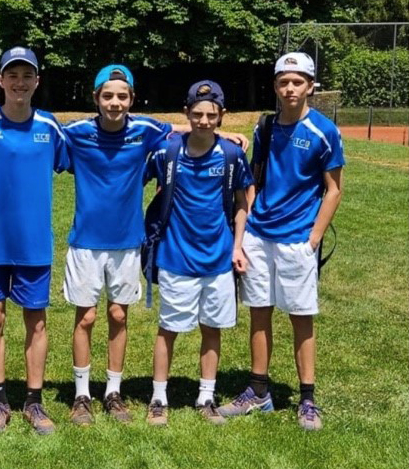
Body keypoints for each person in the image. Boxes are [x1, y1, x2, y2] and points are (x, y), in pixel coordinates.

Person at [61, 66, 249, 426]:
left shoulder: (146, 130)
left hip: (128, 242)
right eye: (107, 95)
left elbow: (188, 128)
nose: (115, 102)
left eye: (122, 95)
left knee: (118, 315)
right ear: (96, 97)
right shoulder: (77, 131)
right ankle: (82, 394)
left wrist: (223, 133)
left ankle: (113, 393)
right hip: (85, 241)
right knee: (85, 317)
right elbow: (35, 125)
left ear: (131, 99)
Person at [218, 52, 344, 431]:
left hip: (296, 241)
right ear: (275, 86)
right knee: (259, 311)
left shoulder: (324, 131)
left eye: (297, 81)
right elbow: (256, 175)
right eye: (283, 82)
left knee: (301, 318)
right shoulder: (265, 128)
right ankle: (259, 391)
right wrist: (253, 216)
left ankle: (307, 399)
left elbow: (334, 189)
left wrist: (314, 238)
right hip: (259, 236)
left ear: (310, 86)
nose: (290, 88)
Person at [0, 47, 69, 435]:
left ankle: (33, 401)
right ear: (0, 81)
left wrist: (197, 130)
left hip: (33, 243)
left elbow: (90, 145)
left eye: (27, 75)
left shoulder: (50, 126)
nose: (19, 82)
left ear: (37, 82)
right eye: (12, 75)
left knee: (36, 322)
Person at [144, 81, 253, 427]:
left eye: (211, 114)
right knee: (169, 329)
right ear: (186, 114)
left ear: (222, 116)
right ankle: (158, 397)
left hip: (218, 260)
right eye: (197, 114)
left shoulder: (233, 155)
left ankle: (206, 396)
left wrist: (237, 246)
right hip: (176, 257)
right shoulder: (167, 153)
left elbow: (241, 204)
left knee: (212, 328)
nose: (204, 121)